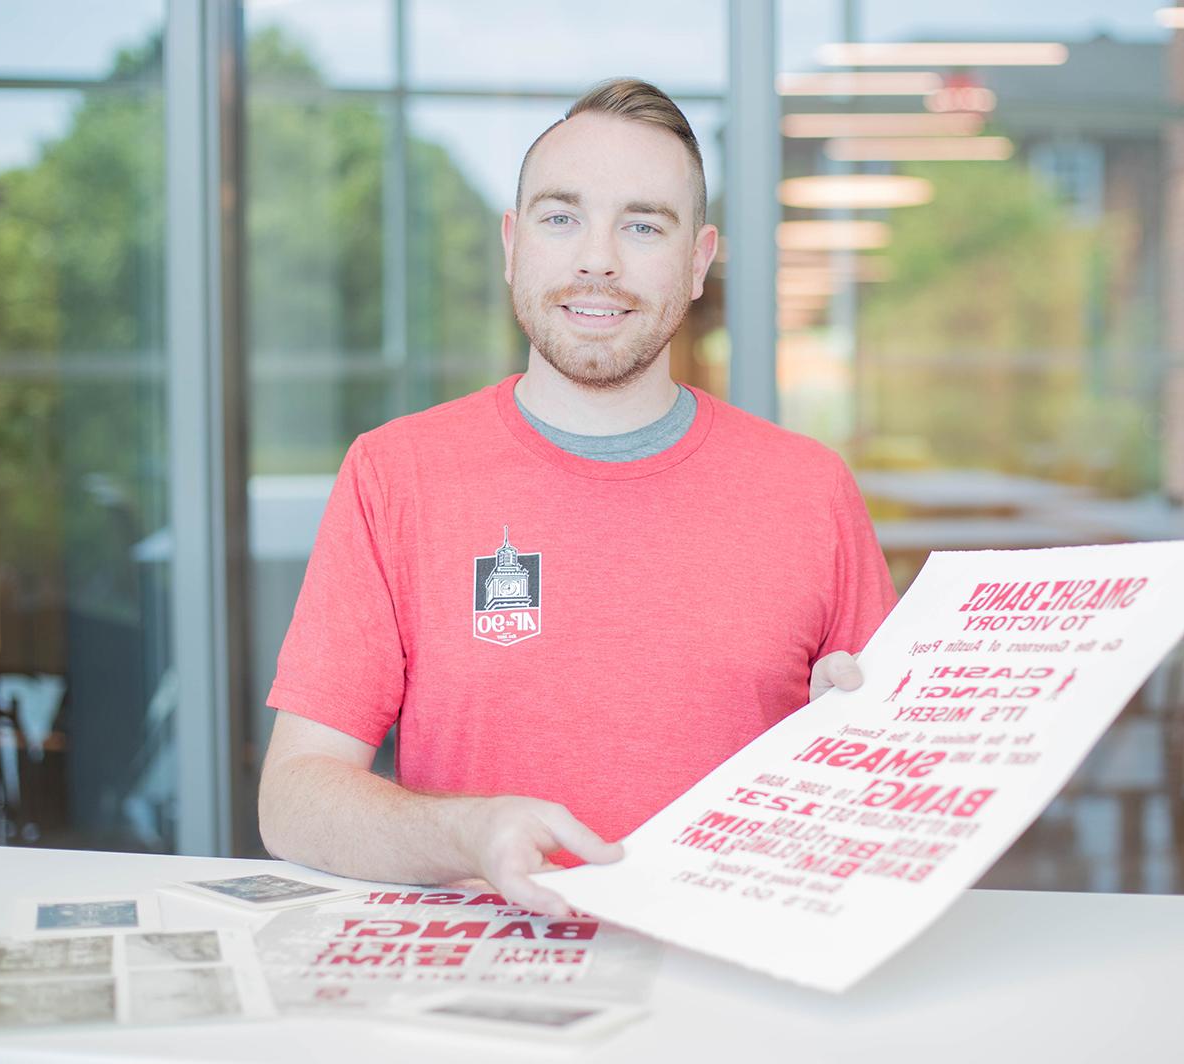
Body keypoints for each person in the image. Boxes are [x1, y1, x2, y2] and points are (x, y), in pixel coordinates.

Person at [258, 78, 896, 915]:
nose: (598, 258)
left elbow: (895, 806)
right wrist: (465, 832)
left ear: (699, 260)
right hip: (475, 993)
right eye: (562, 218)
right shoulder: (395, 473)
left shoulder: (809, 490)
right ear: (513, 244)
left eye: (641, 225)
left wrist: (851, 753)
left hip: (738, 981)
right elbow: (294, 799)